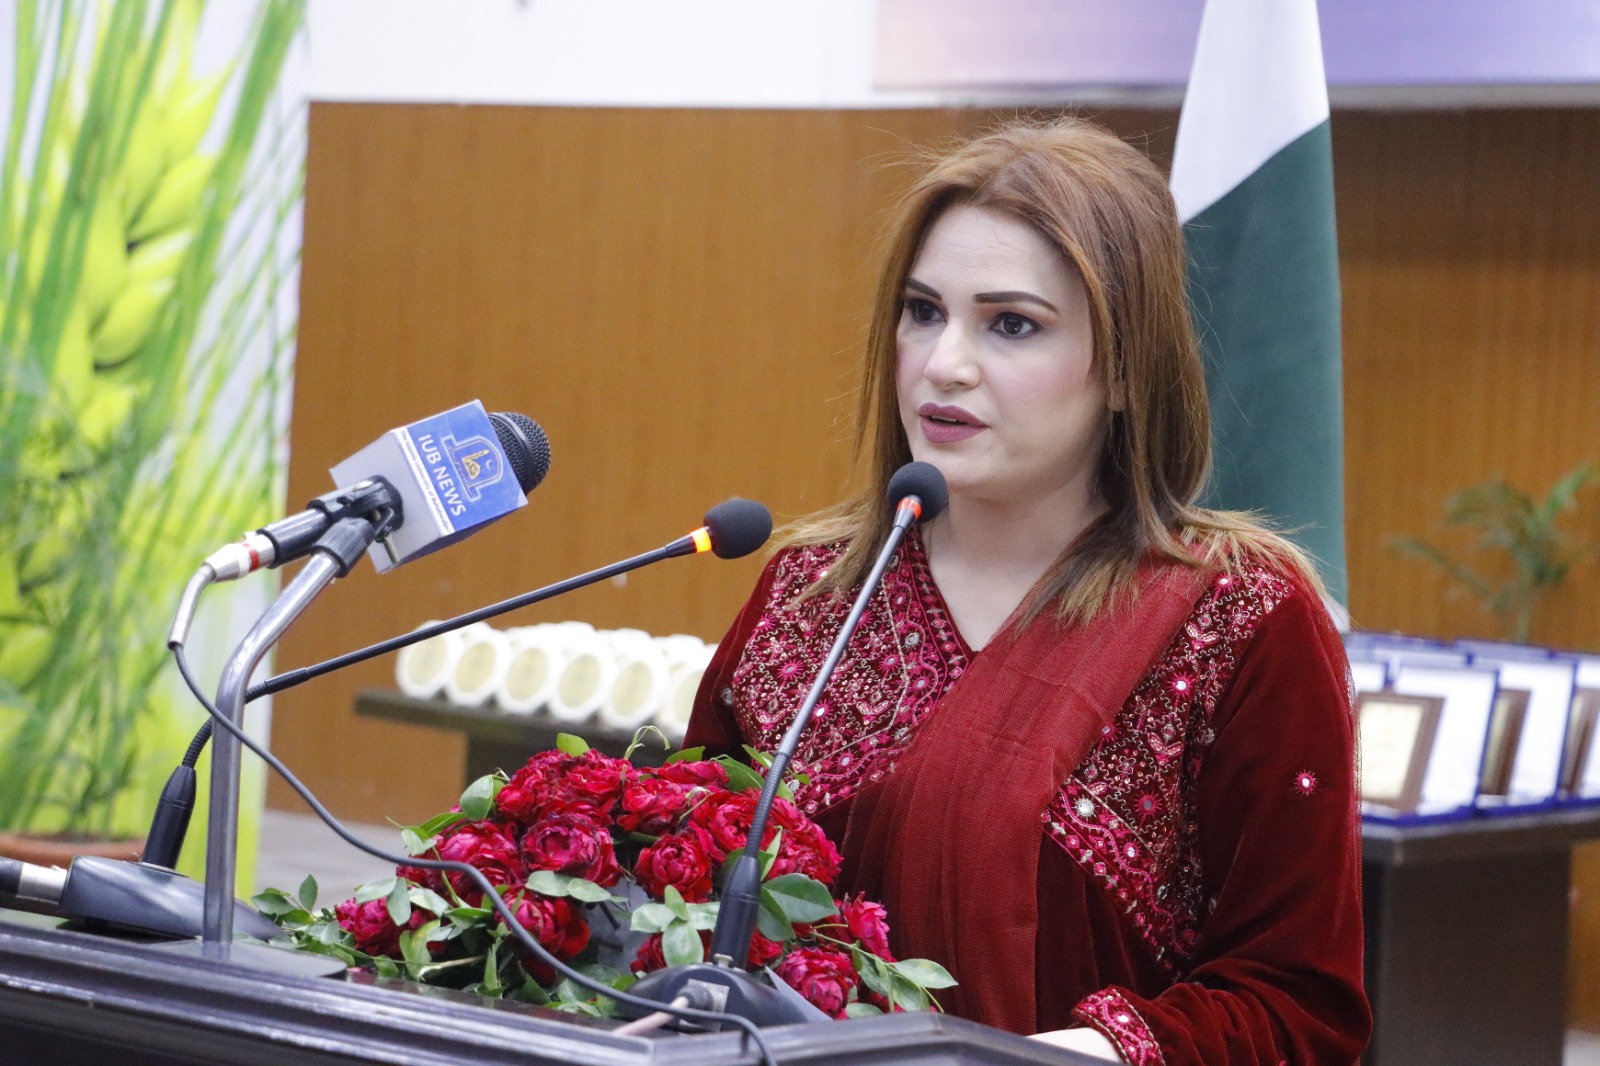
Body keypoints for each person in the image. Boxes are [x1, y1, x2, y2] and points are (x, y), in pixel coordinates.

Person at [685, 117, 1370, 1065]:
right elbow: (682, 899)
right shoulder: (810, 594)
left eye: (1011, 324)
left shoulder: (1241, 620)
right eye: (923, 311)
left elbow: (1295, 1005)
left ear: (1124, 368)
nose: (944, 363)